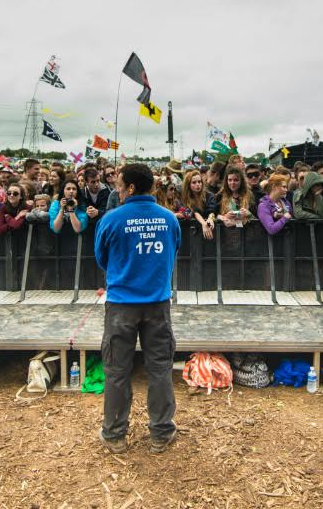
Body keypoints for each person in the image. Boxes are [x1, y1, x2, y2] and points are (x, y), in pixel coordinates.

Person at [94, 163, 181, 455]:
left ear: (130, 187)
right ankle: (161, 432)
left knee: (117, 371)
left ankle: (115, 435)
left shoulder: (111, 219)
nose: (116, 189)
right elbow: (173, 251)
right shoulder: (169, 219)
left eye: (119, 184)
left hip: (120, 305)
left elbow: (101, 258)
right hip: (157, 304)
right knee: (159, 370)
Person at [181, 169, 217, 240]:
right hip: (191, 235)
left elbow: (212, 211)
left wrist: (210, 219)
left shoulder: (209, 195)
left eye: (199, 182)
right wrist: (203, 223)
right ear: (188, 185)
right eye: (194, 182)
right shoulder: (185, 198)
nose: (198, 184)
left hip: (210, 232)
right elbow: (194, 212)